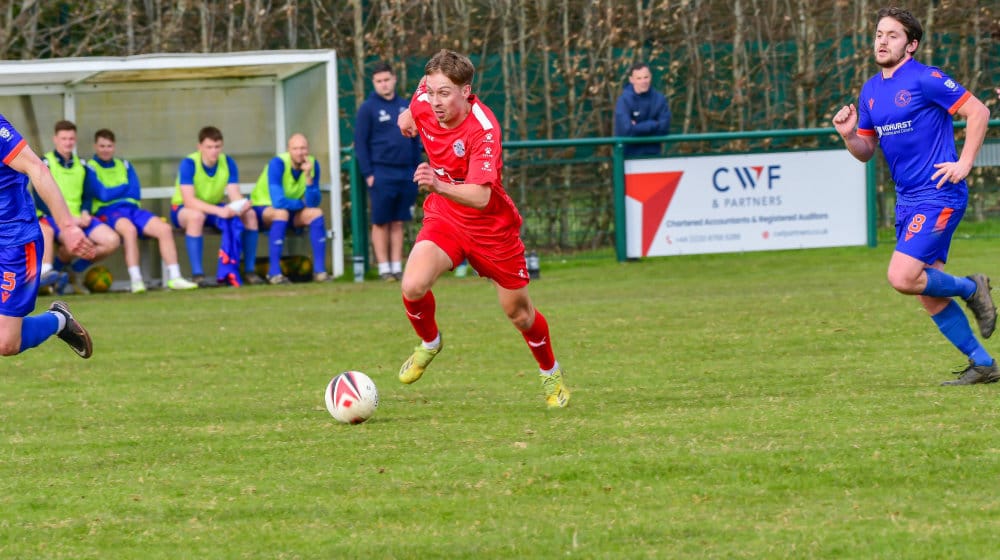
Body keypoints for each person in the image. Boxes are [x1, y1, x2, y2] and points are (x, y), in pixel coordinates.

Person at [395, 49, 570, 408]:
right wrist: (408, 114)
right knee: (412, 285)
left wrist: (438, 184)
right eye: (432, 92)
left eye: (445, 93)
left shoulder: (483, 129)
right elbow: (419, 95)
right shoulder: (425, 100)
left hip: (491, 228)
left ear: (466, 91)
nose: (435, 101)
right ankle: (430, 342)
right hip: (446, 217)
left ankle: (551, 374)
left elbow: (480, 196)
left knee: (519, 314)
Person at [833, 7, 995, 385]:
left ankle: (972, 287)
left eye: (892, 35)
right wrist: (849, 135)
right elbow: (866, 152)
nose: (882, 41)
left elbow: (979, 112)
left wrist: (965, 162)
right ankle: (984, 364)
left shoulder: (926, 79)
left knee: (902, 277)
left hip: (938, 194)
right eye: (879, 34)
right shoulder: (871, 91)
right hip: (907, 200)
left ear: (911, 45)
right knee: (926, 290)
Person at [0, 113, 95, 359]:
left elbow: (37, 168)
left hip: (14, 243)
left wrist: (68, 226)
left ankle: (59, 320)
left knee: (6, 343)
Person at [87, 129, 198, 293]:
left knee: (164, 229)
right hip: (108, 211)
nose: (105, 150)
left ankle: (175, 277)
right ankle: (136, 280)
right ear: (95, 146)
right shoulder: (90, 167)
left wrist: (114, 191)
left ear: (114, 146)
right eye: (102, 146)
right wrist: (123, 187)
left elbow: (135, 191)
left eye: (109, 146)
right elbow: (102, 194)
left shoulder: (125, 165)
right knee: (129, 230)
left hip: (132, 209)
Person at [37, 120, 128, 294]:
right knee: (75, 243)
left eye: (71, 138)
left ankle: (71, 270)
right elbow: (39, 198)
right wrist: (67, 218)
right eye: (64, 138)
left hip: (79, 218)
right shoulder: (45, 162)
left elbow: (87, 195)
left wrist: (85, 212)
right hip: (54, 218)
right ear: (55, 139)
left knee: (112, 241)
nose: (68, 142)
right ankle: (51, 278)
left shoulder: (82, 165)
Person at [354, 62, 422, 282]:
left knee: (398, 221)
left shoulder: (405, 106)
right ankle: (384, 268)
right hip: (381, 172)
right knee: (381, 221)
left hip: (405, 172)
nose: (383, 84)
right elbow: (360, 143)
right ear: (374, 83)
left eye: (386, 79)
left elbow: (415, 140)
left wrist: (416, 169)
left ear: (394, 79)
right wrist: (368, 173)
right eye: (379, 81)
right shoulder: (368, 108)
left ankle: (396, 266)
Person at [171, 125, 261, 287]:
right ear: (199, 147)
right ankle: (198, 275)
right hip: (183, 208)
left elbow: (234, 193)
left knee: (250, 215)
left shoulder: (228, 162)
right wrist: (220, 211)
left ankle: (249, 271)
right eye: (209, 147)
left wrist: (242, 205)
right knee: (196, 217)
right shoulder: (189, 163)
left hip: (213, 207)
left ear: (222, 146)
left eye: (217, 147)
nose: (214, 151)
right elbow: (189, 201)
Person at [250, 133, 329, 284]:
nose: (300, 152)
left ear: (308, 149)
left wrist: (308, 177)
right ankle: (274, 274)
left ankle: (320, 272)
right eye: (295, 148)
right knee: (281, 213)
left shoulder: (312, 165)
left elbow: (313, 203)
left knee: (316, 213)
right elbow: (278, 202)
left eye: (303, 148)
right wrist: (301, 204)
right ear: (289, 150)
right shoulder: (278, 163)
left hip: (288, 210)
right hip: (261, 209)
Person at [613, 61, 671, 158]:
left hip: (654, 156)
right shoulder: (623, 101)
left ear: (651, 77)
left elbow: (664, 129)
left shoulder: (660, 99)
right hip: (629, 158)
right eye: (639, 78)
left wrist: (636, 127)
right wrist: (654, 124)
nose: (643, 81)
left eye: (646, 77)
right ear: (631, 80)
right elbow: (625, 131)